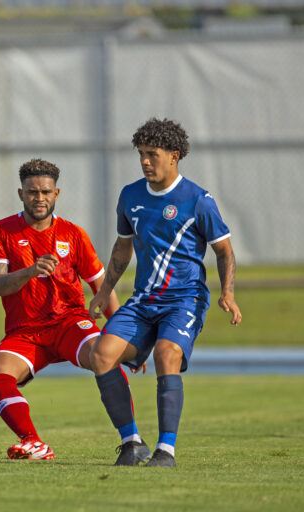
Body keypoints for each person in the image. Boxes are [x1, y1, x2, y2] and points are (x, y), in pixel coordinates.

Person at [88, 118, 242, 468]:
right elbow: (122, 248)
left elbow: (224, 251)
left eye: (152, 155)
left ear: (174, 156)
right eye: (141, 154)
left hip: (184, 299)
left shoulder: (198, 200)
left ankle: (166, 452)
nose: (145, 161)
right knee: (101, 355)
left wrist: (227, 294)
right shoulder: (130, 195)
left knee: (166, 354)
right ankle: (132, 443)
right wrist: (104, 291)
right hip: (143, 301)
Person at [0, 158, 140, 460]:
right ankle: (34, 442)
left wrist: (120, 334)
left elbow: (102, 286)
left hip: (69, 323)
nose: (39, 198)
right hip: (26, 332)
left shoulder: (73, 234)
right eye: (32, 192)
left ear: (57, 194)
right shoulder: (0, 232)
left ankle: (132, 441)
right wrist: (29, 271)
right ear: (20, 194)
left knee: (103, 354)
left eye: (45, 192)